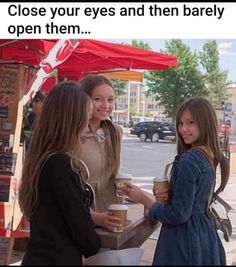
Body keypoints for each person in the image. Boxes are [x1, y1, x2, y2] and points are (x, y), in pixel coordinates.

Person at [122, 96, 229, 265]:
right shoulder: (209, 155)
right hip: (204, 236)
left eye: (191, 122)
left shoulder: (189, 160)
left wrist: (143, 198)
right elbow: (192, 203)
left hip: (183, 243)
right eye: (180, 123)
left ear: (205, 123)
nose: (183, 129)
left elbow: (178, 215)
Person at [18, 81, 101, 265]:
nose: (88, 128)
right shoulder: (60, 165)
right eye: (86, 120)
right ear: (72, 121)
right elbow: (85, 237)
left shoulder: (43, 158)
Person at [78, 74, 123, 213]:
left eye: (110, 100)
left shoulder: (115, 132)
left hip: (111, 210)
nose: (106, 105)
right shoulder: (72, 133)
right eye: (98, 99)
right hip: (81, 210)